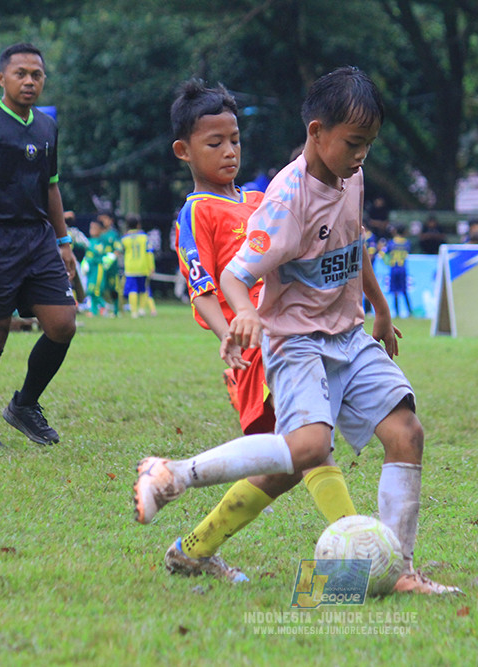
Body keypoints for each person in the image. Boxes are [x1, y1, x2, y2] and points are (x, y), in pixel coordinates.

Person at [134, 66, 460, 595]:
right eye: (354, 143)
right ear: (316, 132)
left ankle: (399, 571)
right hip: (295, 343)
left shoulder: (349, 176)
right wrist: (241, 318)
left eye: (369, 145)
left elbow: (353, 247)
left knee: (405, 434)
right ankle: (174, 474)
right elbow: (234, 277)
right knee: (307, 450)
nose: (362, 157)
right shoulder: (283, 201)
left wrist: (378, 306)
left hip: (349, 336)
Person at [167, 79, 358, 582]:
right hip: (259, 349)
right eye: (214, 144)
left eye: (234, 139)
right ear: (184, 151)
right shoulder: (196, 212)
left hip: (299, 334)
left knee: (290, 462)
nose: (229, 151)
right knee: (311, 447)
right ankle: (360, 551)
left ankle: (194, 549)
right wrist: (228, 335)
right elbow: (203, 289)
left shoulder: (260, 197)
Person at [0, 43, 77, 448]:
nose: (29, 81)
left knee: (62, 324)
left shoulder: (46, 126)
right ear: (1, 78)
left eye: (36, 75)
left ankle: (24, 405)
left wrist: (63, 242)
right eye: (20, 73)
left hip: (38, 240)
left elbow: (52, 189)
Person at [121, 214, 156, 318]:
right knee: (143, 289)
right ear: (138, 225)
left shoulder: (124, 238)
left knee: (132, 289)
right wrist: (151, 266)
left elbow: (120, 251)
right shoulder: (144, 237)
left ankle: (134, 312)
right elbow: (149, 253)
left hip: (130, 267)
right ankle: (141, 309)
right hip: (143, 267)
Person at [384, 225, 413, 317]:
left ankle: (397, 312)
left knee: (395, 291)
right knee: (404, 290)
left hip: (394, 268)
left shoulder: (391, 243)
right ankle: (410, 311)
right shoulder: (407, 243)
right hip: (402, 268)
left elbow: (385, 254)